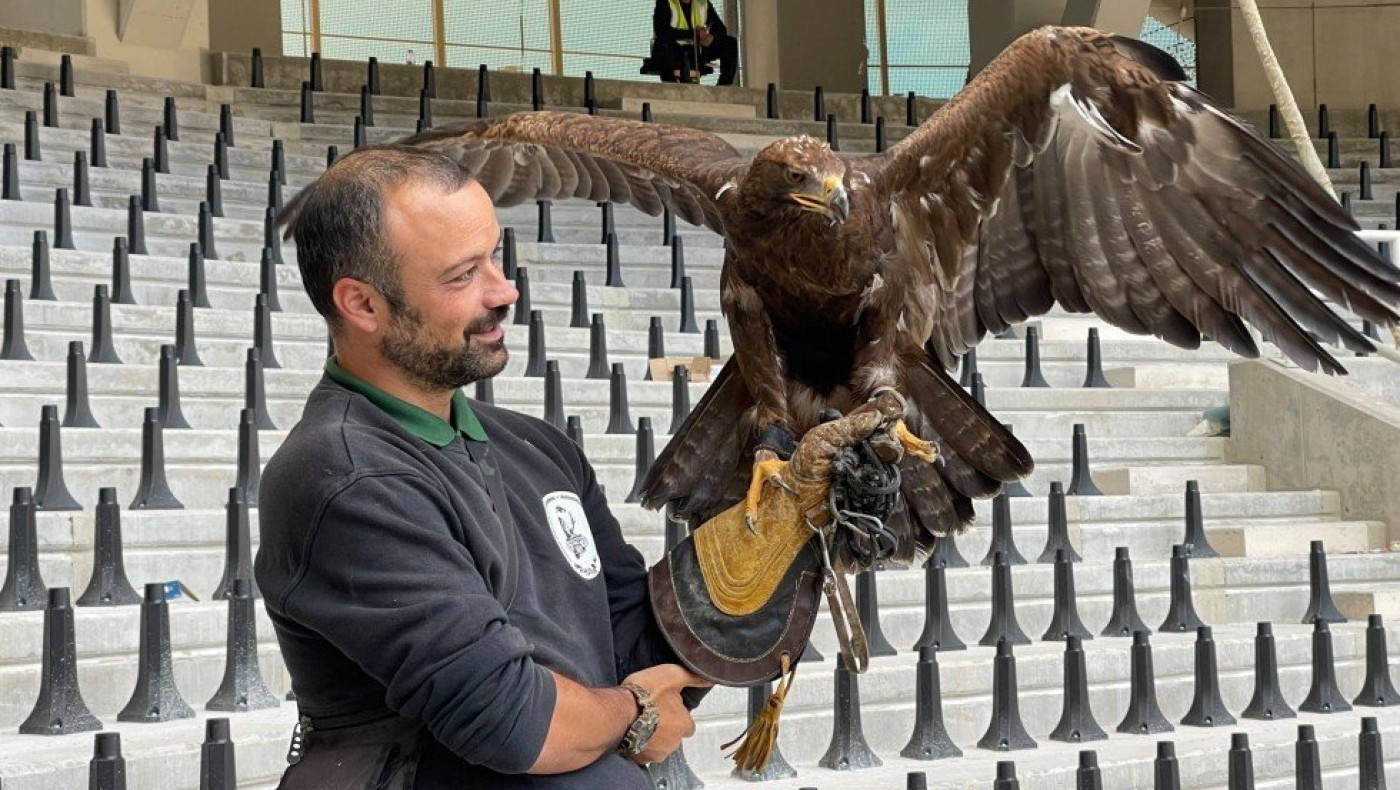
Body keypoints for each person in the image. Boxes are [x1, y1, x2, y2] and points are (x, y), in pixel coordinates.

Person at [255, 145, 711, 789]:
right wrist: (633, 715)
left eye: (494, 256)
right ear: (361, 304)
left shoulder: (543, 451)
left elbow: (638, 651)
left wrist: (768, 552)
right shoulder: (346, 477)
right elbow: (513, 721)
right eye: (462, 275)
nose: (504, 290)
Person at [651, 0, 738, 85]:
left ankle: (723, 88)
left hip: (696, 51)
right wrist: (694, 33)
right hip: (674, 51)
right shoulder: (665, 2)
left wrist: (711, 37)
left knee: (730, 43)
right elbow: (662, 31)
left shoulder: (702, 3)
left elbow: (721, 29)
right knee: (665, 45)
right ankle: (672, 87)